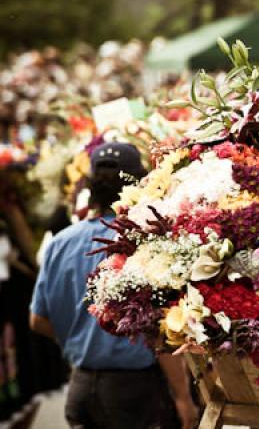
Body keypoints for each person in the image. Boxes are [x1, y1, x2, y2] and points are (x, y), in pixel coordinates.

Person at [29, 142, 198, 429]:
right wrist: (183, 398)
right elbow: (163, 331)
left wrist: (80, 338)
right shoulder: (143, 244)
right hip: (135, 394)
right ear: (140, 182)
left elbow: (37, 321)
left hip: (81, 388)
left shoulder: (61, 242)